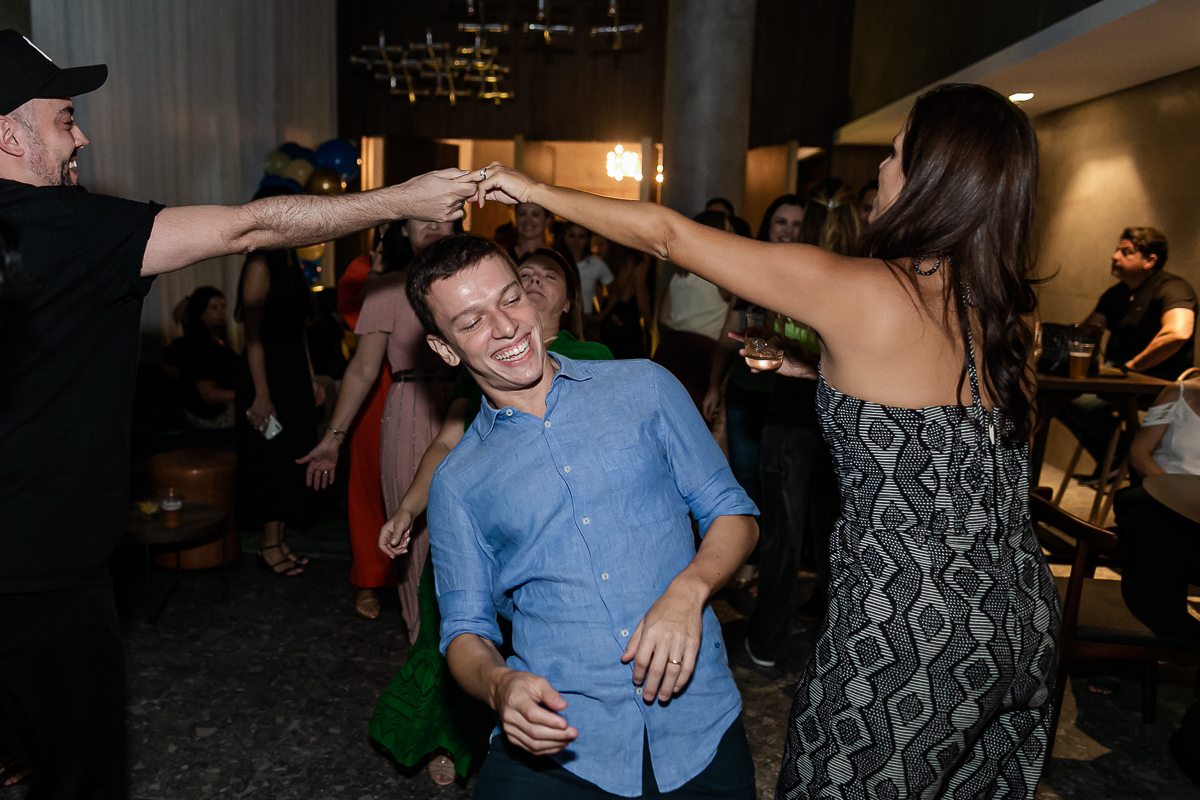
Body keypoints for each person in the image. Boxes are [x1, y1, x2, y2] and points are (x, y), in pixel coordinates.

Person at [470, 81, 1062, 797]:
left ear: (935, 178)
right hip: (1024, 611)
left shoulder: (866, 287)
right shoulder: (998, 310)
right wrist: (815, 369)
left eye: (897, 153)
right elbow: (936, 426)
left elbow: (667, 235)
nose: (881, 168)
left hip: (917, 622)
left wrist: (526, 184)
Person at [0, 28, 477, 798]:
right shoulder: (70, 228)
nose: (81, 134)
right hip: (47, 574)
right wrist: (400, 199)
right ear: (7, 132)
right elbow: (246, 226)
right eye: (63, 118)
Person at [395, 233, 759, 798]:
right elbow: (465, 630)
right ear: (444, 349)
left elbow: (733, 512)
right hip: (560, 746)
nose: (507, 326)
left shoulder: (646, 386)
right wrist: (499, 685)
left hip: (698, 724)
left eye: (510, 298)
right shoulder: (458, 483)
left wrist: (690, 590)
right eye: (471, 322)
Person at [367, 245, 612, 786]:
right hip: (487, 521)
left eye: (549, 277)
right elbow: (446, 444)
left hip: (567, 529)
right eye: (527, 273)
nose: (536, 281)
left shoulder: (597, 356)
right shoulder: (475, 371)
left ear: (569, 299)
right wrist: (408, 509)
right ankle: (456, 738)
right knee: (463, 637)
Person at [298, 217, 455, 640]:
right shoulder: (387, 287)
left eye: (445, 215)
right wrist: (334, 438)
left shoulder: (473, 281)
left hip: (469, 410)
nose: (436, 224)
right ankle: (421, 643)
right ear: (403, 229)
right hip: (409, 410)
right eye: (423, 217)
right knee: (413, 534)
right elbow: (363, 370)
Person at [744, 180, 857, 672]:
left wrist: (780, 346)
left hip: (797, 404)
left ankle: (769, 641)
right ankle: (840, 641)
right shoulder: (863, 274)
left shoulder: (791, 272)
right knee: (836, 528)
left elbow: (777, 336)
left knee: (785, 533)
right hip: (843, 406)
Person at [234, 185, 329, 578]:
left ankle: (280, 538)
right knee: (270, 461)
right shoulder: (259, 264)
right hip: (265, 374)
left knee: (290, 457)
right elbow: (252, 336)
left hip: (291, 375)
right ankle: (267, 545)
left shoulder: (290, 262)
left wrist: (311, 379)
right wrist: (261, 394)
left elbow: (300, 331)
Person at [1057, 227, 1197, 475]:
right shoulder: (1117, 293)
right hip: (1118, 385)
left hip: (1157, 389)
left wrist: (1132, 367)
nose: (1114, 256)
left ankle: (1127, 454)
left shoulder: (1172, 288)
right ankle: (1117, 455)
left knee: (1078, 403)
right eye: (1116, 250)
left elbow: (1178, 333)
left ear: (1150, 260)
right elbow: (1087, 330)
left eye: (1126, 252)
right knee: (1058, 399)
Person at [1113, 369, 1200, 641]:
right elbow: (1139, 453)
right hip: (1162, 494)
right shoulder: (1179, 392)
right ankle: (1163, 635)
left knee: (1151, 528)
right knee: (1148, 515)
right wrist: (1174, 491)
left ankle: (1155, 637)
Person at [655, 210, 733, 409]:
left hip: (669, 350)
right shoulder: (721, 274)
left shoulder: (680, 272)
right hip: (700, 357)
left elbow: (663, 319)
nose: (733, 236)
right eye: (729, 230)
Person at [166, 286, 238, 448]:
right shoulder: (202, 347)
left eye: (223, 306)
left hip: (219, 407)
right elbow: (208, 394)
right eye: (214, 307)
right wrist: (248, 394)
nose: (221, 311)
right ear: (201, 312)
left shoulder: (216, 341)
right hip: (209, 414)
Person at [597, 242, 653, 360]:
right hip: (627, 316)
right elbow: (641, 297)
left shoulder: (609, 257)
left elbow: (599, 291)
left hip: (608, 312)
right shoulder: (638, 262)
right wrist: (651, 327)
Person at [560, 221, 612, 317]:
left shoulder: (595, 263)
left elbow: (615, 291)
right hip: (561, 319)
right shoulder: (556, 262)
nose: (576, 241)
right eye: (572, 235)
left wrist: (601, 316)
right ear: (565, 237)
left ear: (588, 240)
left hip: (586, 319)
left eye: (581, 236)